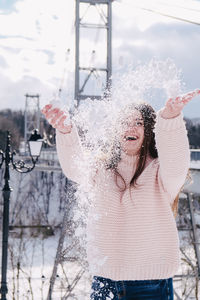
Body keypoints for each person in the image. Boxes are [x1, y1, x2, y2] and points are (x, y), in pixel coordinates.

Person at [42, 89, 200, 300]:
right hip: (104, 283)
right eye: (125, 121)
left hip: (150, 286)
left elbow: (177, 164)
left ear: (150, 131)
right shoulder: (102, 170)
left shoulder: (160, 173)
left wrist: (170, 119)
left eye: (139, 122)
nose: (130, 127)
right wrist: (65, 130)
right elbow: (75, 168)